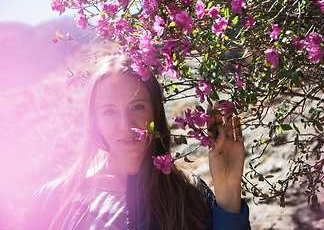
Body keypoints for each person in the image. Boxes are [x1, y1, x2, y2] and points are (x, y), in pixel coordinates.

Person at [23, 54, 250, 230]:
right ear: (95, 121)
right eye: (109, 111)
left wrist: (228, 187)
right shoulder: (52, 200)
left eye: (137, 106)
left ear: (156, 112)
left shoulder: (190, 194)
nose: (125, 123)